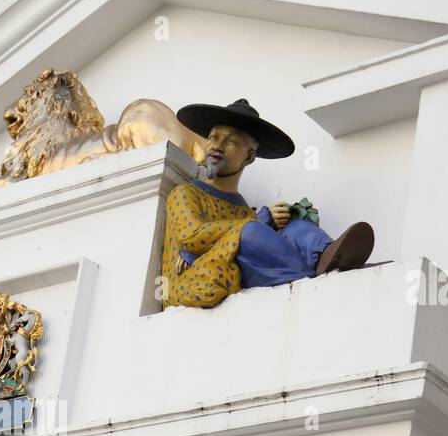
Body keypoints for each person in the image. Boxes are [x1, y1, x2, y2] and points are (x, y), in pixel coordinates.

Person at [160, 98, 374, 309]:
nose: (218, 146)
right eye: (214, 137)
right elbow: (191, 235)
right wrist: (260, 219)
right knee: (251, 230)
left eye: (231, 141)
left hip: (227, 259)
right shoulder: (186, 193)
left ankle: (328, 255)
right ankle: (309, 278)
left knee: (295, 227)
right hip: (191, 280)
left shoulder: (242, 210)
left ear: (249, 157)